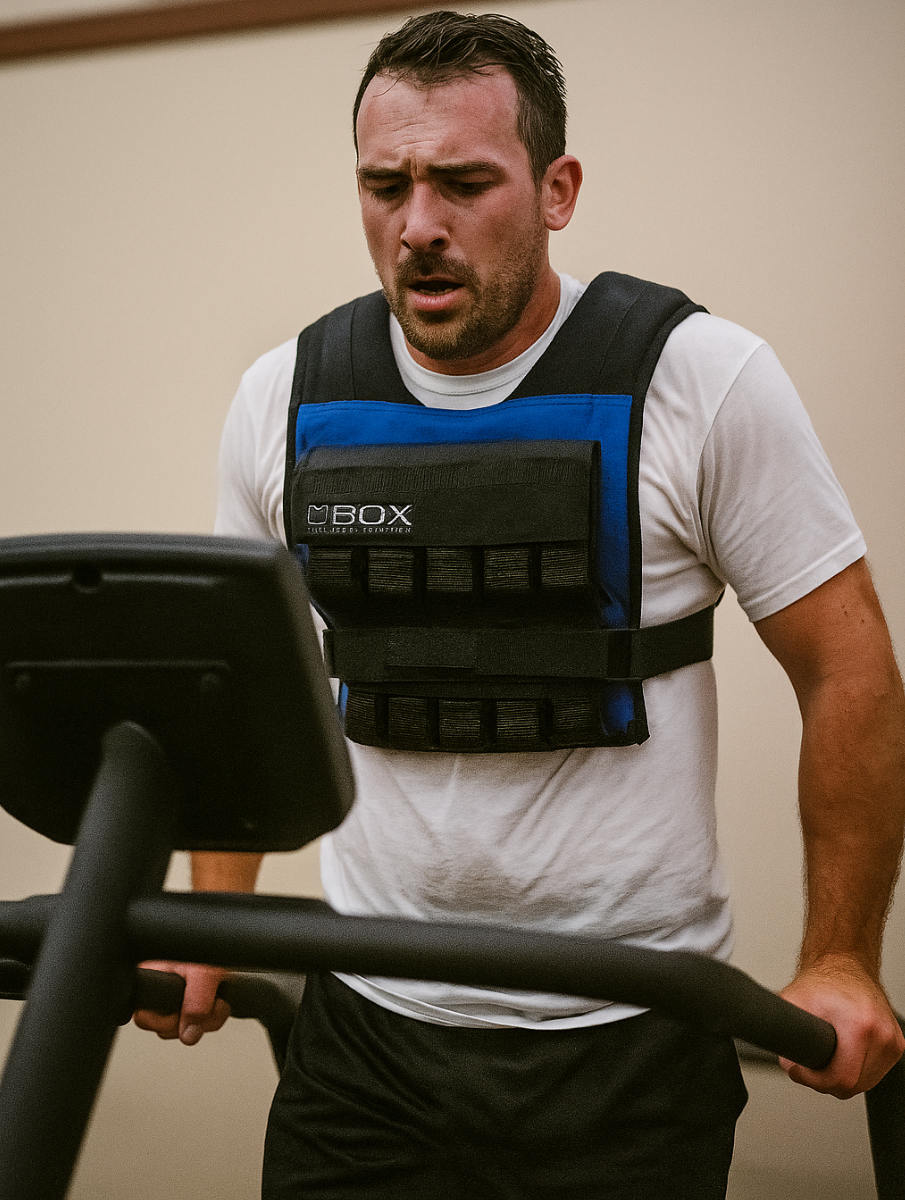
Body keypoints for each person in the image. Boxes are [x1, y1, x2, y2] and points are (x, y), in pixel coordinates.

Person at [135, 10, 905, 1197]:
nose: (418, 226)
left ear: (556, 189)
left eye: (462, 182)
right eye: (384, 185)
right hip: (368, 1034)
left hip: (629, 1037)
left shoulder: (699, 380)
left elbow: (846, 670)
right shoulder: (282, 397)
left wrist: (841, 959)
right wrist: (204, 921)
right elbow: (246, 692)